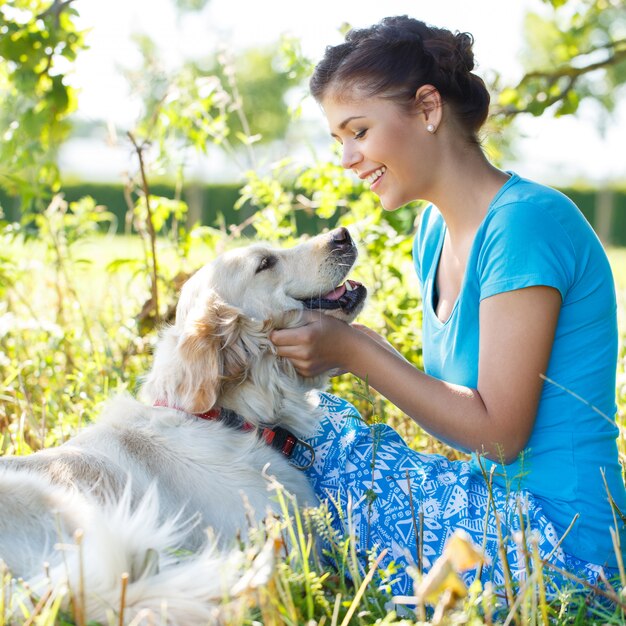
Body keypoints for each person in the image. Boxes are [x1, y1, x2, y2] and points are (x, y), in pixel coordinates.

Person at [273, 15, 626, 598]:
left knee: (313, 443)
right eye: (339, 140)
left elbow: (500, 435)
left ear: (428, 108)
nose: (348, 158)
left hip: (558, 542)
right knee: (307, 429)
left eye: (358, 130)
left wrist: (357, 351)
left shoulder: (525, 225)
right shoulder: (433, 231)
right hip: (491, 505)